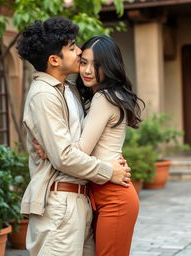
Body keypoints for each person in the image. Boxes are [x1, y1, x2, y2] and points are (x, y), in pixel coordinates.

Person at [16, 17, 131, 256]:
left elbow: (73, 146)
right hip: (60, 202)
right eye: (72, 48)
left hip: (82, 200)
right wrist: (108, 170)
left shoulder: (70, 89)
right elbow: (64, 157)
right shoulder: (43, 95)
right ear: (54, 60)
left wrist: (56, 151)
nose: (79, 52)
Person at [74, 35, 145, 256]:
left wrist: (48, 148)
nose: (87, 70)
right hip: (105, 193)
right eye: (84, 62)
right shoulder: (106, 96)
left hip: (114, 197)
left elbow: (80, 151)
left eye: (97, 65)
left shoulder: (104, 98)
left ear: (110, 66)